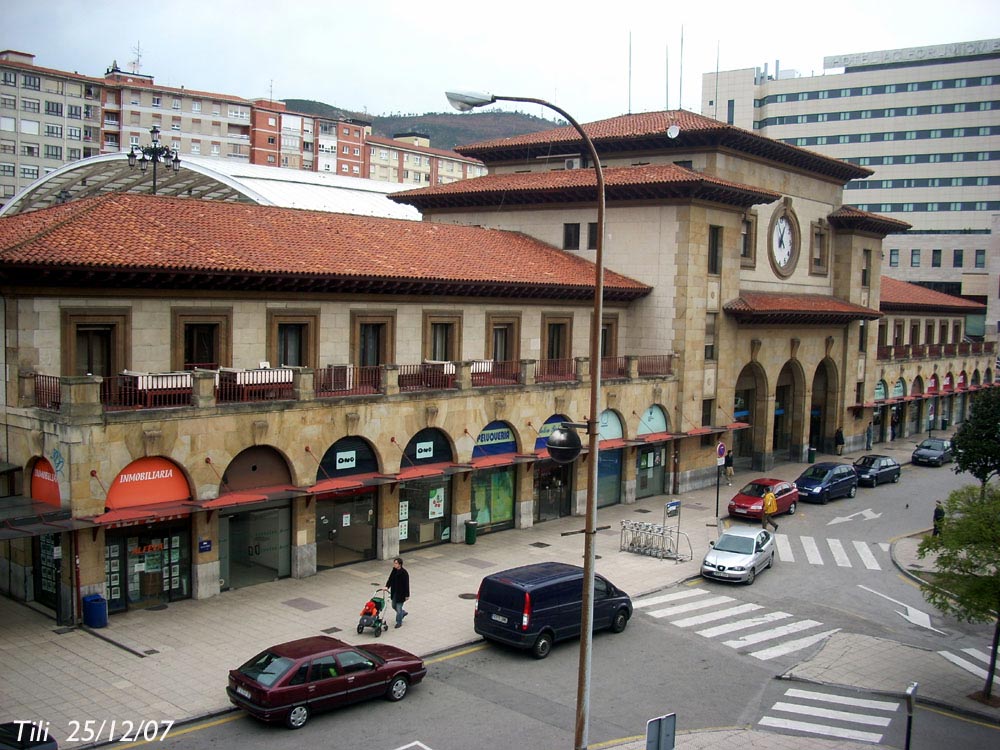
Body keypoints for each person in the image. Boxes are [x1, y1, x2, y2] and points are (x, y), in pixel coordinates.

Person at [386, 556, 410, 628]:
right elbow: (390, 579)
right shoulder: (394, 570)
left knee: (398, 608)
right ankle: (403, 613)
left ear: (400, 564)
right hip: (395, 592)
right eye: (394, 563)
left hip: (401, 594)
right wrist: (387, 586)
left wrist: (407, 595)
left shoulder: (404, 573)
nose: (394, 564)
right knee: (393, 606)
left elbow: (406, 584)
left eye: (396, 563)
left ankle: (399, 622)